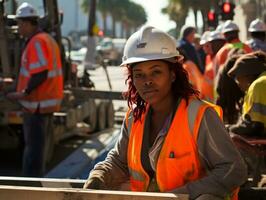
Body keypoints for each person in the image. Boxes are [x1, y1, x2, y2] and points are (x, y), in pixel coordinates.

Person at [83, 26, 247, 200]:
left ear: (173, 74)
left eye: (156, 72)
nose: (147, 82)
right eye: (139, 75)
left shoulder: (199, 116)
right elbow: (118, 161)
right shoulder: (134, 117)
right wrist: (99, 176)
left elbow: (233, 170)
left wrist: (183, 194)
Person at [6, 2, 63, 177]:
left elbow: (40, 73)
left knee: (33, 153)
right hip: (41, 103)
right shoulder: (44, 39)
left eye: (19, 24)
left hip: (36, 104)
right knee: (36, 150)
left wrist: (23, 93)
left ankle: (30, 187)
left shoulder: (37, 42)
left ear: (27, 23)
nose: (18, 28)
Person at [228, 51, 266, 136]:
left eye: (237, 78)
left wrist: (227, 129)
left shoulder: (258, 85)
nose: (237, 83)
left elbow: (254, 127)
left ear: (247, 75)